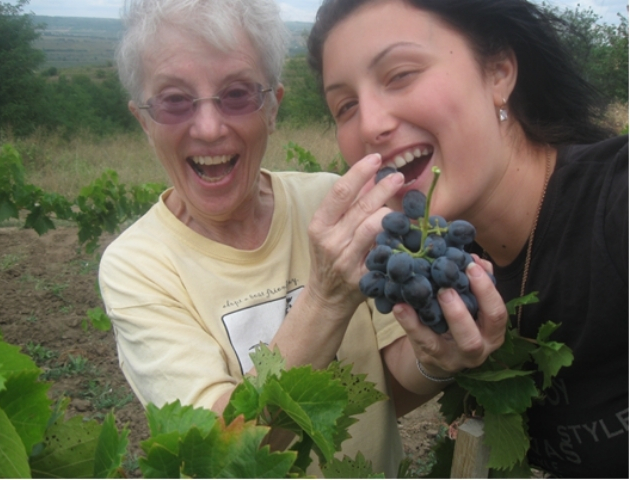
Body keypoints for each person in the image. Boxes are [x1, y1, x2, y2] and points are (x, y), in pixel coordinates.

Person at [99, 0, 509, 475]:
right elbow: (221, 453)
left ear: (272, 108)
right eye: (173, 100)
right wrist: (323, 300)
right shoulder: (139, 265)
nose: (209, 128)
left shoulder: (326, 200)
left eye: (237, 94)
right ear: (143, 121)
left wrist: (439, 358)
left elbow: (385, 388)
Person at [306, 0, 628, 477]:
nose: (371, 124)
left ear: (498, 72)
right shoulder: (448, 263)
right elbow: (377, 400)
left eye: (400, 74)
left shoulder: (616, 205)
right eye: (345, 106)